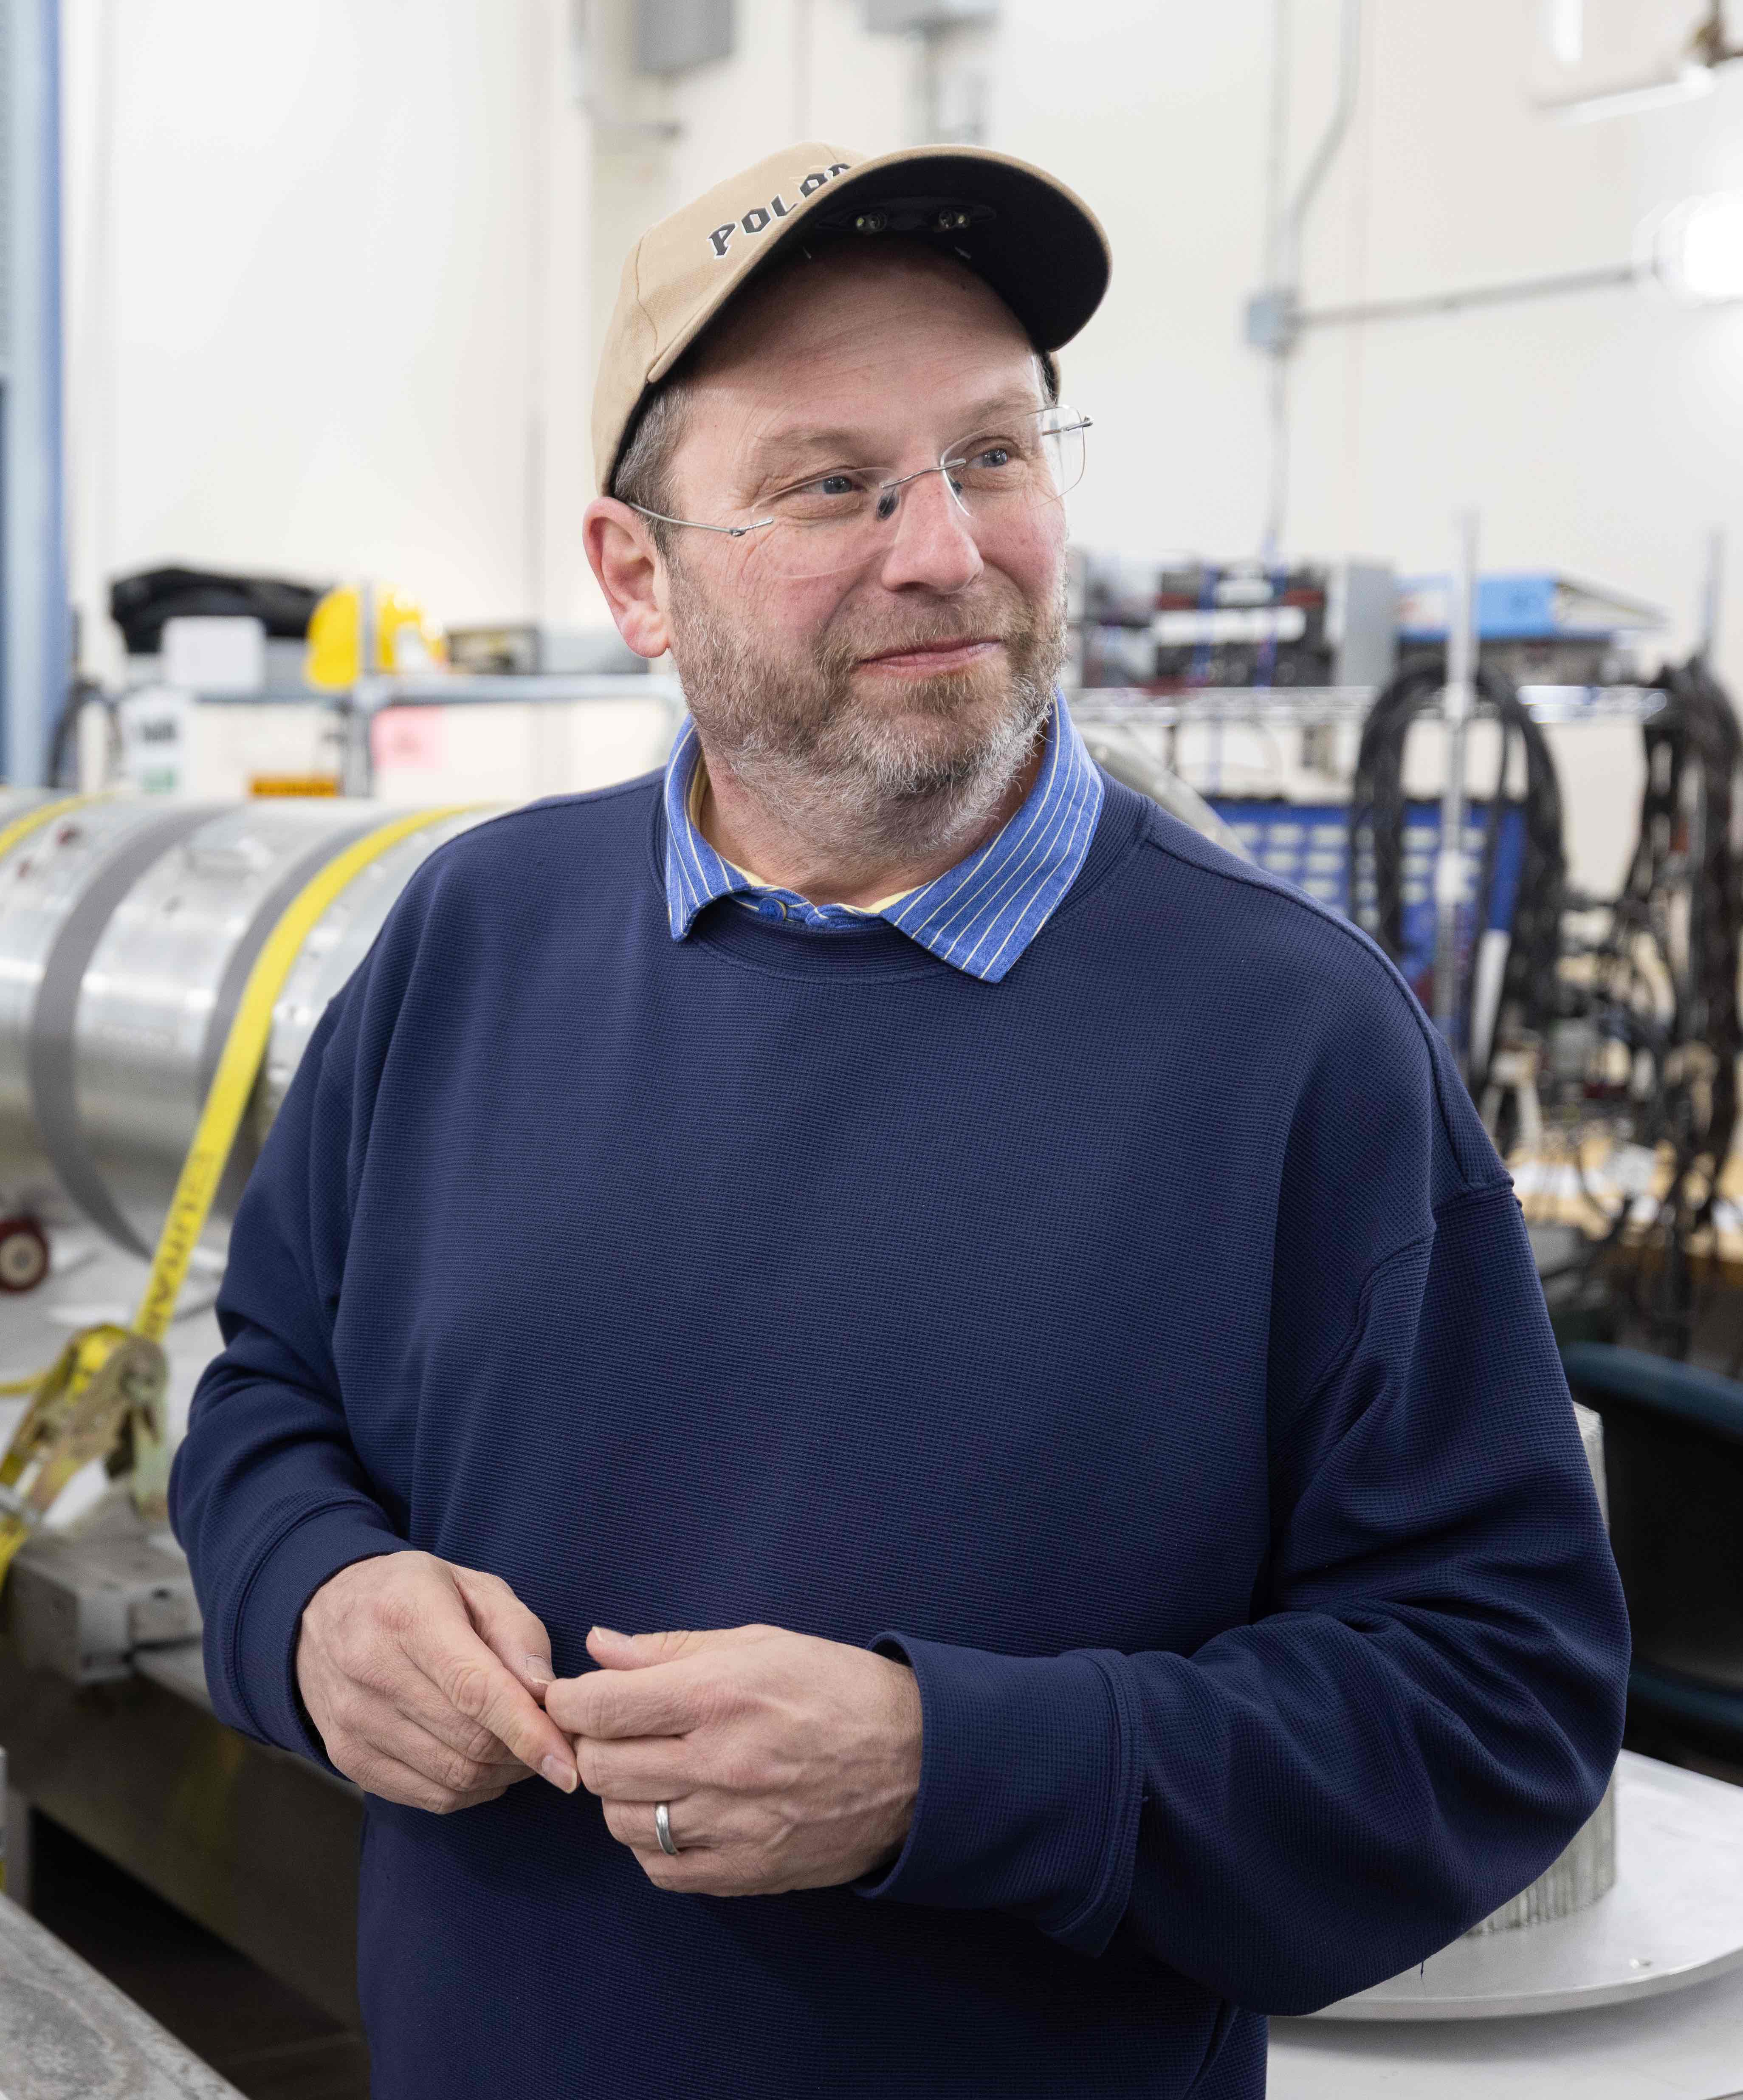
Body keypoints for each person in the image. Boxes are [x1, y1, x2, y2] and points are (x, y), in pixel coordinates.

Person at [168, 140, 1627, 2099]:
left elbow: (1494, 1703)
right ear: (637, 578)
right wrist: (312, 1605)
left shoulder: (1290, 1037)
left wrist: (954, 1772)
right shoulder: (473, 939)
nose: (943, 547)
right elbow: (271, 1402)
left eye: (997, 456)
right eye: (833, 483)